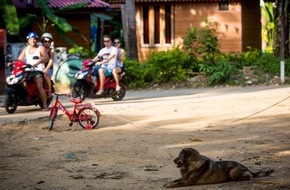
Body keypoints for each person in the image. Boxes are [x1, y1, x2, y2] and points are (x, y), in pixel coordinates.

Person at [17, 32, 49, 111]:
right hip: (27, 70)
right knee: (18, 81)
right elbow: (19, 58)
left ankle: (45, 105)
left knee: (39, 86)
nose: (33, 41)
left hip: (38, 70)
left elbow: (46, 57)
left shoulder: (41, 48)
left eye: (34, 39)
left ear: (36, 40)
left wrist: (38, 62)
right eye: (31, 39)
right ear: (28, 40)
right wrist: (12, 63)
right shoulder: (26, 49)